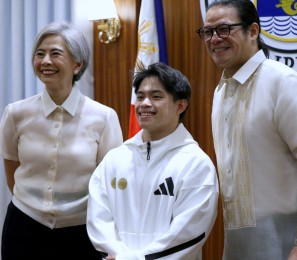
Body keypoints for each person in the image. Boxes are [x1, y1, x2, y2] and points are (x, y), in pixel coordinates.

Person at [196, 1, 297, 259]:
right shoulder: (220, 91)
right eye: (207, 32)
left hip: (290, 243)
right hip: (238, 245)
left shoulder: (284, 82)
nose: (214, 39)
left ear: (253, 31)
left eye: (224, 29)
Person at [0, 21, 123, 259]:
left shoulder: (103, 117)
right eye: (39, 54)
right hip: (24, 227)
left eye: (55, 53)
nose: (45, 61)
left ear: (77, 64)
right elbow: (12, 172)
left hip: (83, 231)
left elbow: (110, 182)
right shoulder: (15, 113)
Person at [86, 62, 219, 260]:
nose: (145, 103)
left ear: (180, 105)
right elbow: (98, 221)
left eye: (156, 97)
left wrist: (132, 259)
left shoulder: (196, 164)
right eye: (140, 97)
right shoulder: (114, 159)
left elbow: (188, 234)